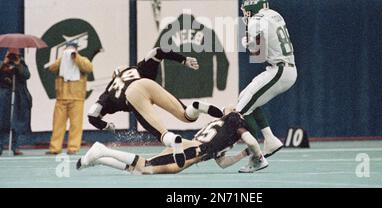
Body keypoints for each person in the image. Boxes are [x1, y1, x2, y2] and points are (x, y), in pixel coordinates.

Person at [87, 47, 223, 167]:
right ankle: (195, 107)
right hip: (146, 83)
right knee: (186, 115)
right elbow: (158, 51)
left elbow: (92, 115)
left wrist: (105, 126)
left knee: (161, 133)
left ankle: (173, 140)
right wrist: (183, 59)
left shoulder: (107, 94)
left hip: (132, 95)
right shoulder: (137, 69)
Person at [77, 111, 269, 174]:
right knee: (146, 167)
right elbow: (251, 140)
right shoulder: (236, 128)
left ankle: (97, 159)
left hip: (190, 147)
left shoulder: (223, 130)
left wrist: (244, 154)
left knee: (139, 170)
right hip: (191, 152)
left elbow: (222, 163)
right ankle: (102, 150)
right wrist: (258, 155)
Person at [238, 0, 297, 162]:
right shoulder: (274, 14)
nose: (245, 15)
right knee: (246, 98)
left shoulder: (256, 20)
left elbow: (256, 53)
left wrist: (246, 42)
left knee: (241, 110)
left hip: (280, 70)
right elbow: (263, 53)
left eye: (246, 11)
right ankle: (270, 140)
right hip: (281, 68)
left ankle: (256, 157)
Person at [46, 41, 93, 155]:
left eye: (72, 49)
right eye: (68, 49)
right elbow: (51, 68)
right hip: (61, 97)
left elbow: (88, 68)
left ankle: (73, 147)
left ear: (77, 49)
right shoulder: (62, 61)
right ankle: (55, 148)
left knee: (76, 125)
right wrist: (63, 58)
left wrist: (76, 57)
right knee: (57, 124)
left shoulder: (82, 60)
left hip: (77, 98)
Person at [0, 48, 32, 156]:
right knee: (2, 121)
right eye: (11, 55)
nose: (13, 57)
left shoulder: (21, 64)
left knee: (16, 122)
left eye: (16, 55)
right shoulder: (3, 64)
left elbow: (27, 75)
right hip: (4, 97)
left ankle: (14, 146)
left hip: (18, 97)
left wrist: (18, 64)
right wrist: (4, 62)